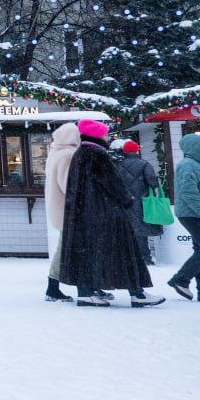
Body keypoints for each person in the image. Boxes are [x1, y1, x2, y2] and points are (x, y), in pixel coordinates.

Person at [59, 119, 164, 308]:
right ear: (97, 135)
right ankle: (137, 293)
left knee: (88, 253)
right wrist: (127, 200)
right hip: (105, 213)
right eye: (105, 133)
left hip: (84, 215)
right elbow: (113, 183)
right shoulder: (97, 154)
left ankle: (86, 293)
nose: (107, 137)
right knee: (125, 252)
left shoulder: (80, 154)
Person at [166, 133, 200, 302]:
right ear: (195, 148)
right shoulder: (188, 165)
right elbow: (188, 191)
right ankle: (180, 279)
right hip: (192, 214)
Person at [43, 123, 80, 303]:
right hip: (68, 210)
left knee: (65, 247)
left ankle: (55, 285)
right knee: (65, 248)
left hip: (58, 208)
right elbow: (68, 186)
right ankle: (53, 286)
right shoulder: (67, 155)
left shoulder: (54, 153)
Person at [114, 139, 162, 266]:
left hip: (124, 202)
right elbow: (153, 181)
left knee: (127, 230)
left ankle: (128, 258)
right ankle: (145, 257)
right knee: (141, 231)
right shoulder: (144, 164)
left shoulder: (118, 166)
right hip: (142, 202)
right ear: (136, 151)